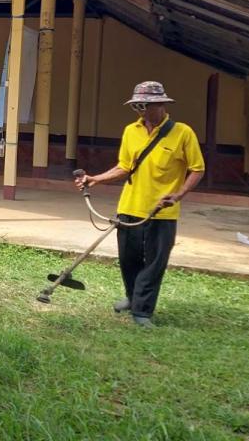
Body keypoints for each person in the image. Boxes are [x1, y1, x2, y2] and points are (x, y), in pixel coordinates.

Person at [74, 81, 204, 329]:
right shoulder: (130, 131)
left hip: (161, 212)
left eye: (146, 106)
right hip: (130, 207)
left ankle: (142, 311)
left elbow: (197, 169)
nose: (141, 111)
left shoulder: (183, 133)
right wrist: (95, 179)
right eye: (137, 106)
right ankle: (133, 298)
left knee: (155, 262)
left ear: (162, 105)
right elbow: (124, 167)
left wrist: (179, 194)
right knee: (129, 259)